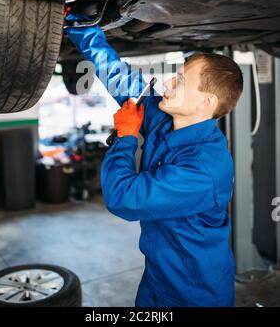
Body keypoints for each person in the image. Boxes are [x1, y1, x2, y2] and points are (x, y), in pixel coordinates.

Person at [66, 18, 243, 307]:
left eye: (181, 81)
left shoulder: (202, 171)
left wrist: (126, 137)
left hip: (194, 293)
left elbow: (123, 197)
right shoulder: (166, 119)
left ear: (205, 104)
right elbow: (119, 78)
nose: (167, 83)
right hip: (156, 278)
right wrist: (82, 27)